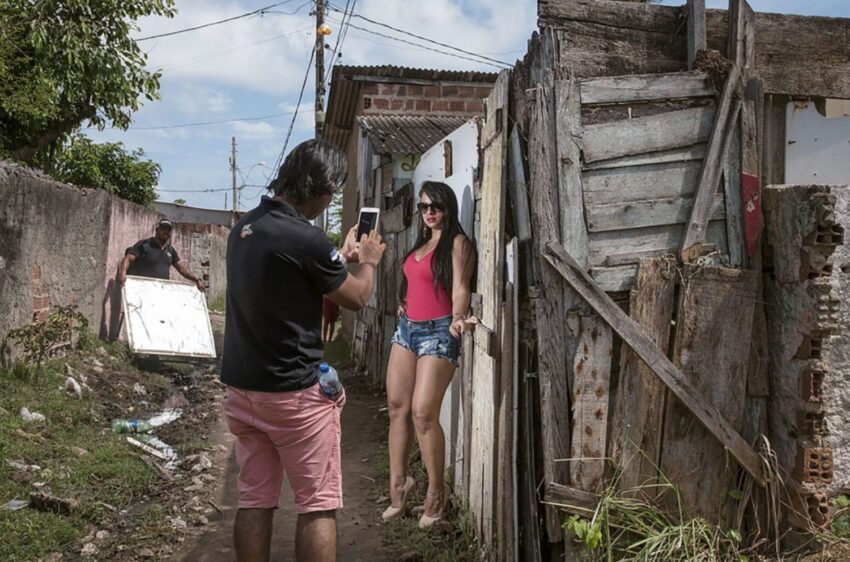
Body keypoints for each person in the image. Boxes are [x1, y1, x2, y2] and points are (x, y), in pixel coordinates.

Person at [220, 139, 385, 562]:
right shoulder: (306, 238)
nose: (329, 201)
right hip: (293, 395)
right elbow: (358, 297)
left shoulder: (244, 228)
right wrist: (365, 260)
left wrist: (338, 257)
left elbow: (293, 277)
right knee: (317, 503)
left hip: (242, 389)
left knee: (255, 498)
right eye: (332, 192)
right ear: (321, 186)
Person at [383, 181, 476, 528]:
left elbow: (460, 287)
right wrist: (404, 303)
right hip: (407, 329)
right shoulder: (419, 244)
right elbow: (415, 282)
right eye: (423, 207)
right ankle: (399, 487)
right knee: (397, 408)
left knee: (423, 414)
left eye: (435, 205)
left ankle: (437, 493)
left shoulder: (458, 243)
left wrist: (457, 318)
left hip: (438, 331)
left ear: (447, 207)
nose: (429, 212)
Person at [116, 218, 205, 291]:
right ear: (157, 230)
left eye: (168, 230)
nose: (166, 232)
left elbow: (182, 269)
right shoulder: (144, 245)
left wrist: (196, 279)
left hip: (161, 291)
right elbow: (128, 258)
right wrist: (122, 272)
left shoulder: (170, 250)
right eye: (163, 229)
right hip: (142, 290)